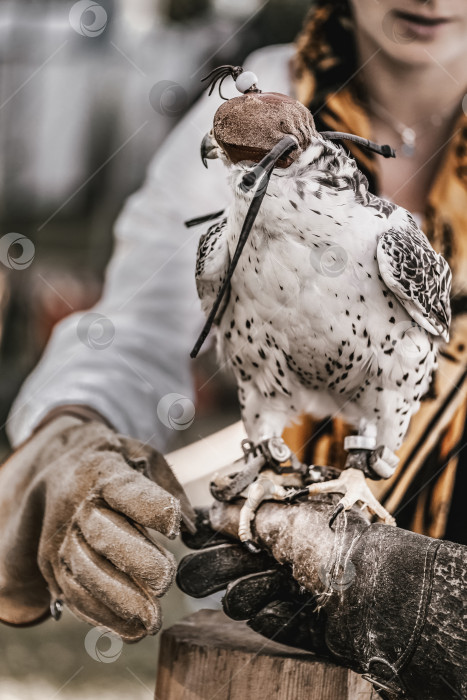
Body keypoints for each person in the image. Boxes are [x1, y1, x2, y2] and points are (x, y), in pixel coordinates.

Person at [0, 0, 466, 645]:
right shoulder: (243, 122)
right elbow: (135, 328)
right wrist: (70, 434)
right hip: (280, 584)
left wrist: (446, 609)